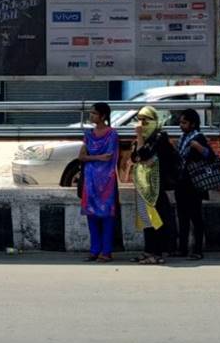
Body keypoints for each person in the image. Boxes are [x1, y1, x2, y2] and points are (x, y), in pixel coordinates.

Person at [129, 105, 179, 264]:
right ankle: (149, 250)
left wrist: (139, 138)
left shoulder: (160, 138)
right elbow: (135, 158)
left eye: (146, 120)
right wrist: (140, 142)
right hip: (145, 185)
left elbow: (144, 155)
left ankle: (157, 253)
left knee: (157, 219)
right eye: (140, 120)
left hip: (157, 186)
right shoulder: (145, 138)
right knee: (146, 219)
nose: (142, 124)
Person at [77, 102, 119, 263]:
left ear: (103, 116)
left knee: (107, 216)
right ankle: (95, 250)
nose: (91, 115)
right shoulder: (88, 134)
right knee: (92, 215)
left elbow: (109, 157)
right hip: (90, 180)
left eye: (94, 113)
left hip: (107, 180)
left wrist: (91, 158)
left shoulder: (112, 134)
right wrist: (98, 157)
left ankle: (106, 251)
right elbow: (81, 156)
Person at [175, 108, 213, 260]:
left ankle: (197, 249)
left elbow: (210, 156)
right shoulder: (183, 138)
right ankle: (182, 248)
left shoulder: (199, 138)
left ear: (193, 123)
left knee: (195, 217)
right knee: (183, 217)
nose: (181, 125)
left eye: (184, 122)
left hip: (194, 184)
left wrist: (198, 147)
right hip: (182, 182)